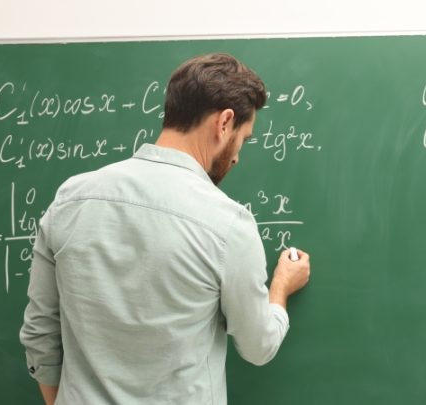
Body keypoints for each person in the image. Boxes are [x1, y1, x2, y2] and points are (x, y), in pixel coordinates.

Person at [19, 53, 311, 405]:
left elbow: (40, 336)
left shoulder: (69, 199)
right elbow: (258, 346)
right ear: (224, 123)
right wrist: (280, 287)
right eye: (244, 139)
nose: (237, 157)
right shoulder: (227, 225)